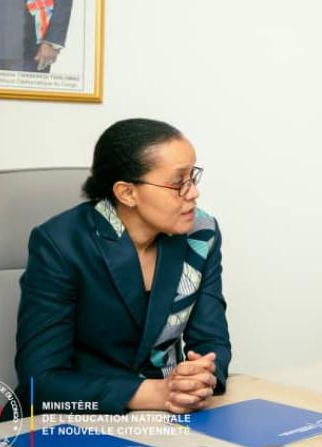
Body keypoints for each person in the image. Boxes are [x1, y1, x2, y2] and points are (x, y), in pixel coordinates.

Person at [15, 118, 231, 414]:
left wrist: (201, 377)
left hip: (171, 416)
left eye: (192, 177)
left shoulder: (201, 233)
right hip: (78, 418)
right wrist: (155, 394)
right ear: (127, 193)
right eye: (178, 182)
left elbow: (212, 341)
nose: (193, 193)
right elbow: (39, 384)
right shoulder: (61, 244)